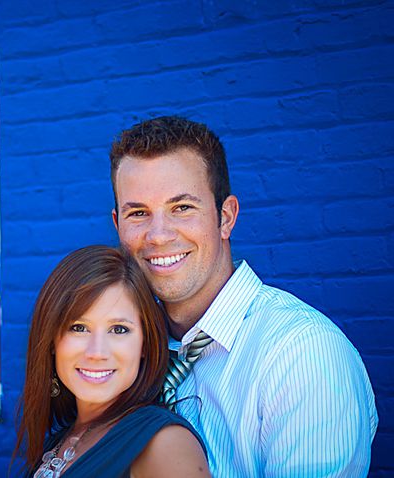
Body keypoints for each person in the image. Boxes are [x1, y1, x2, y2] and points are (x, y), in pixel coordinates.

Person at [109, 116, 378, 476]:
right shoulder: (126, 349)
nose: (158, 236)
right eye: (138, 213)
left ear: (226, 217)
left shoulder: (302, 353)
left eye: (182, 208)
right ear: (118, 225)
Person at [14, 245, 210, 477]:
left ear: (145, 344)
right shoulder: (61, 440)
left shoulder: (164, 444)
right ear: (52, 341)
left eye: (119, 329)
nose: (97, 352)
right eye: (79, 328)